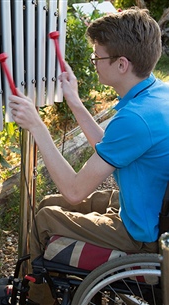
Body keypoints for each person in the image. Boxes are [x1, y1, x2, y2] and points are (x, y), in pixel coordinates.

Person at [9, 7, 169, 304]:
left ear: (122, 64)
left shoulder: (136, 119)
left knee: (45, 218)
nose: (94, 62)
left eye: (98, 56)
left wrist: (36, 125)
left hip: (141, 232)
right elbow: (113, 147)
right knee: (47, 202)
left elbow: (73, 191)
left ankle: (36, 298)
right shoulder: (157, 94)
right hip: (148, 206)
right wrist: (75, 101)